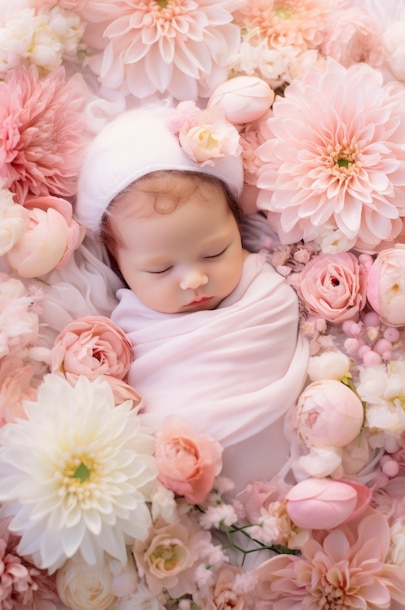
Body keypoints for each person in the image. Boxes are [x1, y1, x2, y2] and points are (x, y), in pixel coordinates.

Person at [76, 104, 309, 493]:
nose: (195, 280)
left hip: (299, 472)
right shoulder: (127, 330)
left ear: (237, 228)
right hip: (193, 494)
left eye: (215, 252)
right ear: (119, 265)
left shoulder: (264, 292)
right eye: (160, 270)